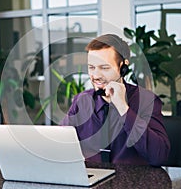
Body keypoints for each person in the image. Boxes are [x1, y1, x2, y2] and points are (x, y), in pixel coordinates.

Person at [61, 34, 170, 166]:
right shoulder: (82, 101)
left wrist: (124, 108)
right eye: (91, 67)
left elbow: (159, 157)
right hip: (92, 180)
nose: (96, 75)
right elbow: (60, 142)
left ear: (123, 67)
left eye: (104, 68)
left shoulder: (147, 101)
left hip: (132, 181)